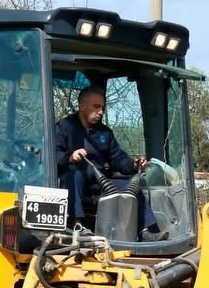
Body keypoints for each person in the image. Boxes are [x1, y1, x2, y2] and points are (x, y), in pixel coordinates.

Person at [54, 85, 159, 233]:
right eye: (96, 107)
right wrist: (70, 157)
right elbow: (53, 156)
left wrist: (133, 164)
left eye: (102, 107)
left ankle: (148, 231)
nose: (101, 112)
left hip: (99, 181)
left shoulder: (105, 133)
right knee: (74, 175)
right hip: (72, 181)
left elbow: (118, 158)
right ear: (82, 106)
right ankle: (77, 225)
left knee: (132, 185)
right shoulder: (63, 127)